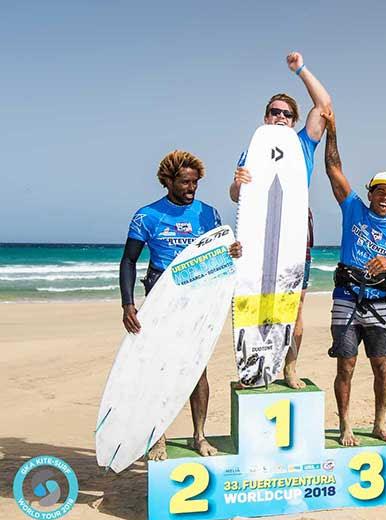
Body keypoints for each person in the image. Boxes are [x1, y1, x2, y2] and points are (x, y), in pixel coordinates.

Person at [120, 150, 242, 460]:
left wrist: (234, 250)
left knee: (197, 370)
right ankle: (157, 435)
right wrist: (128, 304)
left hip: (198, 301)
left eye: (195, 183)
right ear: (168, 181)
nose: (192, 188)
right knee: (161, 370)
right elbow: (129, 260)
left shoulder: (208, 214)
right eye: (186, 182)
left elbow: (220, 254)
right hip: (162, 302)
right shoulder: (147, 216)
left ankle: (199, 436)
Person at [229, 51, 332, 389]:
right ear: (266, 115)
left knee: (292, 304)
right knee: (253, 294)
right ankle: (255, 365)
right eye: (275, 112)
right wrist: (237, 183)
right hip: (256, 231)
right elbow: (236, 196)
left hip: (294, 230)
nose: (280, 118)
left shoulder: (302, 144)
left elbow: (324, 107)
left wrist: (300, 70)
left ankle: (289, 366)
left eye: (287, 114)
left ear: (293, 120)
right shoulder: (253, 149)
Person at [321, 107, 386, 446]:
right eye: (379, 190)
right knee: (345, 366)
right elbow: (333, 169)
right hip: (346, 300)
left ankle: (379, 423)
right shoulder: (353, 209)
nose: (384, 196)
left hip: (378, 304)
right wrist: (332, 129)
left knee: (382, 367)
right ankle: (345, 425)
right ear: (370, 194)